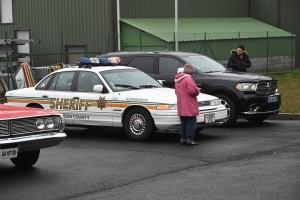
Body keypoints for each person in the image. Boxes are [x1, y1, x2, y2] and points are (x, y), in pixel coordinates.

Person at [174, 63, 200, 146]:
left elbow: (176, 92)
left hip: (181, 104)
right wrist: (198, 90)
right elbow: (193, 91)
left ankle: (183, 139)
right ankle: (190, 139)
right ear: (190, 73)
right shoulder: (188, 79)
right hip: (189, 104)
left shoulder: (177, 79)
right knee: (191, 123)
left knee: (183, 123)